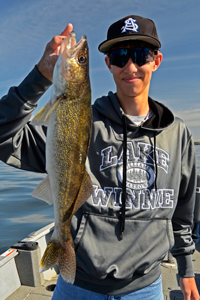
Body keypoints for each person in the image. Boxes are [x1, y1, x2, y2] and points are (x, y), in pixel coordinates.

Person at [0, 15, 199, 300]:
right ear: (108, 64)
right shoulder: (81, 124)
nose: (131, 66)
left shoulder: (177, 133)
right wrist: (39, 77)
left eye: (141, 55)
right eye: (120, 57)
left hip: (146, 288)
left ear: (156, 61)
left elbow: (183, 210)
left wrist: (186, 269)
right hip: (79, 286)